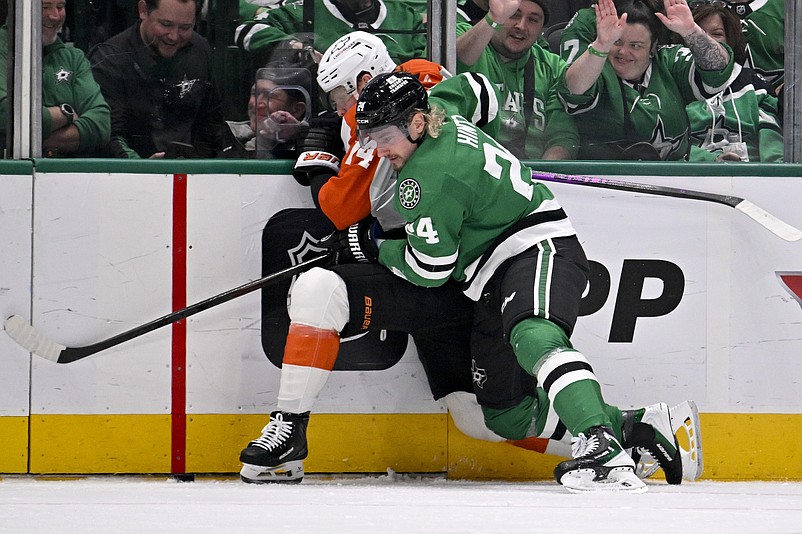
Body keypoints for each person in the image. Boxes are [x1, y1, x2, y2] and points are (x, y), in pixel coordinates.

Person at [349, 71, 703, 492]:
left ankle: (601, 449)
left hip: (536, 246)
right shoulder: (441, 104)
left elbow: (431, 269)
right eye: (370, 138)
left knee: (534, 334)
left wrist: (374, 248)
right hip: (489, 275)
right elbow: (479, 87)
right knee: (505, 414)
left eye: (384, 136)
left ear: (417, 124)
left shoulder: (428, 180)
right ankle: (637, 426)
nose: (379, 149)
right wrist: (491, 164)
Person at [559, 0, 738, 160]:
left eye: (635, 45)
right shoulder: (596, 69)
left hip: (677, 181)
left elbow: (718, 67)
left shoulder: (668, 61)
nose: (623, 52)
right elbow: (574, 89)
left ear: (653, 47)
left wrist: (691, 30)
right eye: (617, 42)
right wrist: (602, 43)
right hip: (607, 184)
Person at [88, 0, 223, 158]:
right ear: (143, 10)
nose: (174, 36)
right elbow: (107, 134)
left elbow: (212, 125)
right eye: (166, 24)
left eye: (185, 28)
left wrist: (200, 168)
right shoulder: (111, 59)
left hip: (189, 172)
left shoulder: (200, 49)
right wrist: (142, 168)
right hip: (128, 173)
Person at [456, 0, 580, 160]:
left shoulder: (551, 66)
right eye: (514, 15)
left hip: (532, 176)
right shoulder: (466, 36)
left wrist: (541, 178)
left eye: (533, 20)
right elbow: (455, 60)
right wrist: (493, 18)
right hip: (470, 170)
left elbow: (562, 137)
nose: (521, 26)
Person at [0, 0, 111, 157]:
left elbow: (101, 124)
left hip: (65, 175)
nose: (55, 15)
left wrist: (20, 142)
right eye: (45, 7)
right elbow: (5, 113)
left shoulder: (74, 58)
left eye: (60, 6)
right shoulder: (3, 49)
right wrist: (66, 114)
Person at [686, 2, 782, 162]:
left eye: (717, 34)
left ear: (730, 40)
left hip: (749, 178)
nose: (707, 41)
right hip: (689, 177)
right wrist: (709, 160)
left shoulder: (754, 85)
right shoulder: (673, 81)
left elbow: (772, 141)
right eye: (699, 34)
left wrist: (777, 174)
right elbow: (669, 146)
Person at [233, 0, 427, 66]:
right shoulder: (304, 11)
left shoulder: (405, 16)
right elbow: (247, 30)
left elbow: (426, 67)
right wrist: (297, 47)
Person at [220, 66, 312, 159]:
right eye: (255, 93)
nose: (256, 104)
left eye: (270, 96)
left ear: (297, 110)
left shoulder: (309, 149)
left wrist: (298, 136)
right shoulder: (228, 141)